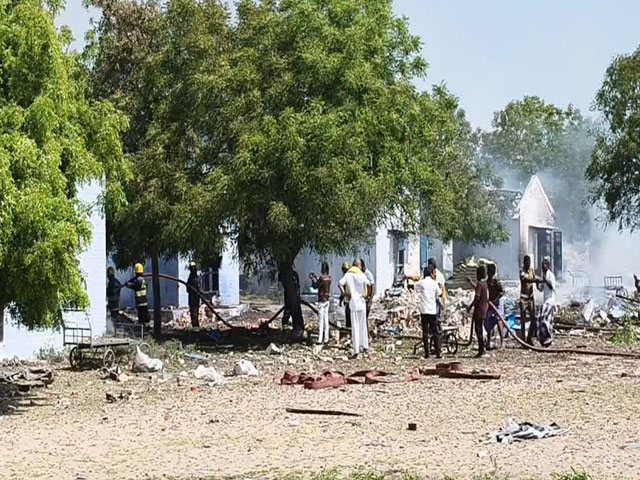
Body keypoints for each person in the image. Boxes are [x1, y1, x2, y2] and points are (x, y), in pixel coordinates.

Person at [338, 259, 371, 358]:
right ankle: (365, 346)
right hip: (361, 302)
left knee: (355, 326)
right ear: (359, 265)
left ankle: (356, 350)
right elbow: (369, 284)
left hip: (353, 302)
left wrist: (344, 294)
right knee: (363, 325)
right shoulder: (362, 274)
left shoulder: (348, 275)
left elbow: (340, 284)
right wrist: (367, 295)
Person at [415, 265, 442, 358]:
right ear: (431, 274)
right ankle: (438, 352)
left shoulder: (422, 283)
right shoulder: (434, 283)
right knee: (435, 332)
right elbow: (439, 293)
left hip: (424, 310)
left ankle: (427, 353)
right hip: (432, 310)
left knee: (425, 332)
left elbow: (415, 287)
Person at [467, 265, 488, 357]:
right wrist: (470, 282)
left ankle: (481, 350)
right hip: (484, 310)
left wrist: (470, 306)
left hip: (479, 311)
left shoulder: (480, 284)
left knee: (478, 330)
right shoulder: (484, 284)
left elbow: (477, 297)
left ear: (479, 274)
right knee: (480, 330)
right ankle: (483, 349)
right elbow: (477, 288)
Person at [535, 257, 556, 347]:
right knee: (541, 319)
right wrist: (537, 284)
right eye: (542, 265)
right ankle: (543, 338)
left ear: (548, 265)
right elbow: (541, 289)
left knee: (544, 319)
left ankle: (548, 337)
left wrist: (545, 280)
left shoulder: (551, 275)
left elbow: (552, 287)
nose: (543, 266)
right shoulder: (545, 275)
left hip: (550, 301)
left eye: (544, 265)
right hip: (545, 301)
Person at [484, 263, 505, 350]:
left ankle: (502, 343)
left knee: (499, 320)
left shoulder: (497, 281)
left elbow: (502, 292)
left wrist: (495, 300)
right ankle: (488, 342)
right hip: (490, 303)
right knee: (488, 321)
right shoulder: (487, 281)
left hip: (497, 303)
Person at [310, 262, 332, 344]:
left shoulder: (322, 278)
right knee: (326, 319)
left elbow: (315, 286)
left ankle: (320, 339)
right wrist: (317, 278)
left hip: (321, 300)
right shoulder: (329, 278)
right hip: (327, 299)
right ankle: (326, 338)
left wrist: (313, 279)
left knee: (321, 320)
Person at [519, 255, 536, 343]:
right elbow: (525, 280)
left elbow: (534, 278)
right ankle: (523, 339)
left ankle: (529, 338)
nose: (528, 264)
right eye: (527, 262)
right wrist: (536, 280)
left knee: (533, 318)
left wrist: (539, 284)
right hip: (523, 299)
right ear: (524, 263)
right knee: (523, 320)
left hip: (531, 298)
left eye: (529, 262)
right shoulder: (521, 271)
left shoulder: (532, 270)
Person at [428, 258, 447, 322]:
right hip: (430, 299)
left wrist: (443, 302)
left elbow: (443, 289)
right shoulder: (428, 274)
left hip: (436, 299)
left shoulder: (439, 276)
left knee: (436, 317)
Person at [187, 261, 200, 328]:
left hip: (197, 298)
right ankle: (195, 325)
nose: (193, 269)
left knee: (196, 312)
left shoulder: (197, 278)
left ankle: (196, 325)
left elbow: (199, 287)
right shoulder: (190, 278)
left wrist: (199, 293)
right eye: (192, 268)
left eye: (194, 267)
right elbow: (188, 289)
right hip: (192, 297)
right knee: (193, 312)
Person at [339, 261, 351, 328]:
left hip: (349, 300)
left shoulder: (346, 277)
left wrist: (342, 298)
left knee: (349, 318)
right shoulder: (349, 276)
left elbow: (342, 288)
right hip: (348, 300)